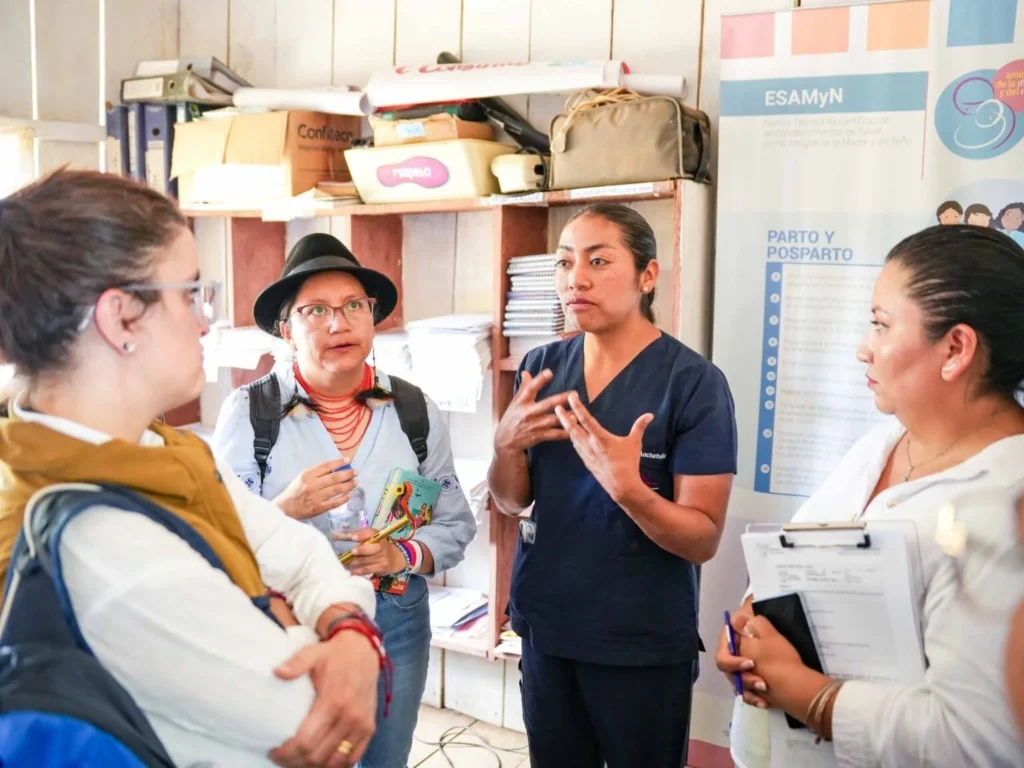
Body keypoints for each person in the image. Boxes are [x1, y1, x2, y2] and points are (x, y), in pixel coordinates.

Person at [0, 170, 384, 767]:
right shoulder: (100, 539)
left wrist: (350, 635)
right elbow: (310, 718)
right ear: (122, 317)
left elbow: (305, 556)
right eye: (190, 294)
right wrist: (306, 618)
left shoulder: (162, 452)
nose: (207, 320)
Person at [717, 224, 1024, 768]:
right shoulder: (878, 445)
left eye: (881, 326)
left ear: (955, 348)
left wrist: (811, 697)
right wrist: (750, 627)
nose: (864, 349)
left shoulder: (1007, 503)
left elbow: (980, 739)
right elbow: (791, 562)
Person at [487, 203, 738, 768]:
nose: (576, 278)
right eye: (565, 262)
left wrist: (629, 489)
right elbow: (512, 499)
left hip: (638, 643)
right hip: (548, 629)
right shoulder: (543, 365)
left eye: (599, 261)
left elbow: (702, 539)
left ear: (648, 276)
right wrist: (505, 445)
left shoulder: (692, 383)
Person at [212, 233, 476, 768]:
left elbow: (454, 523)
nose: (340, 323)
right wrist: (285, 506)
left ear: (373, 318)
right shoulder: (250, 412)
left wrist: (402, 555)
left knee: (386, 756)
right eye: (316, 311)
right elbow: (218, 536)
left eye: (354, 305)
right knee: (298, 755)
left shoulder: (412, 408)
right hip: (291, 618)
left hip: (397, 616)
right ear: (286, 330)